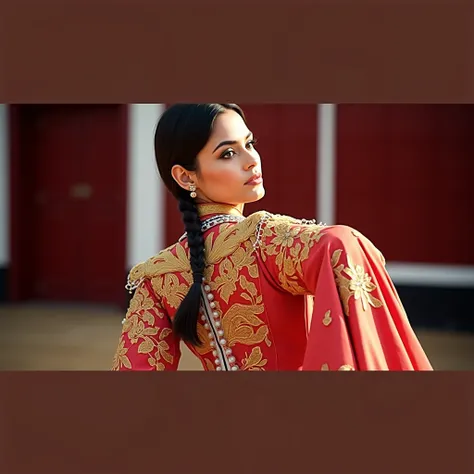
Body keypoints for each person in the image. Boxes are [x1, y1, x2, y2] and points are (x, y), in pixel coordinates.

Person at [112, 103, 433, 371]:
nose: (252, 159)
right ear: (185, 176)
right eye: (227, 154)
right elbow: (340, 243)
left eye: (249, 144)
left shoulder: (157, 276)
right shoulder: (265, 241)